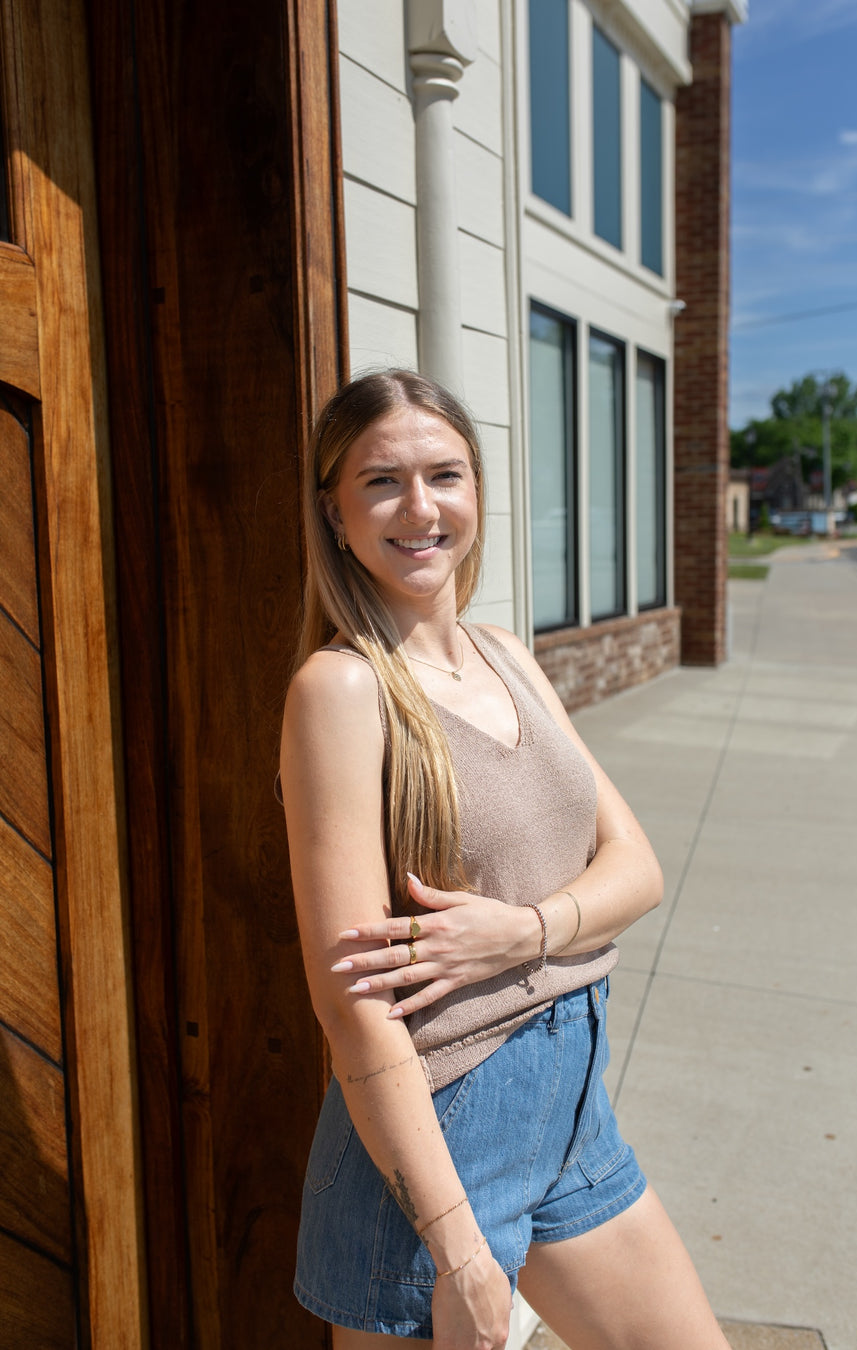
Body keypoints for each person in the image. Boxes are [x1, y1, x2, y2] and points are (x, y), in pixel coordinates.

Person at [279, 369, 732, 1350]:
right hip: (433, 1153)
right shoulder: (343, 691)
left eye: (444, 474)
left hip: (570, 1111)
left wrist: (520, 932)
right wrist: (458, 1250)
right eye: (381, 482)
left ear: (477, 490)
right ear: (336, 512)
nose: (420, 506)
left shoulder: (506, 655)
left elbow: (637, 867)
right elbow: (352, 1008)